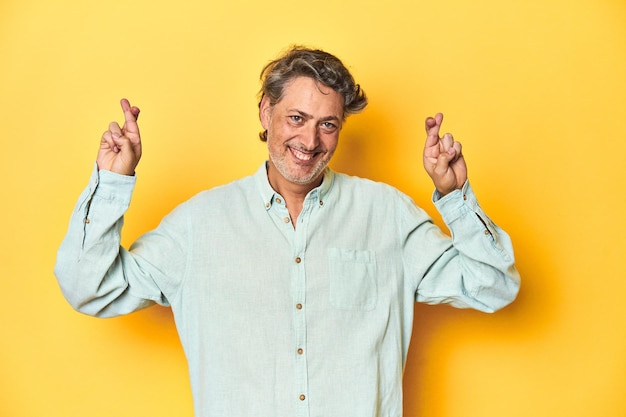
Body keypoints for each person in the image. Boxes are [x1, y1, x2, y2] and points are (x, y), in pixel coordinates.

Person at [55, 46, 520, 417]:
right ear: (265, 112)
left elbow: (494, 286)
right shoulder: (200, 224)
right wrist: (111, 182)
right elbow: (87, 287)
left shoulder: (387, 215)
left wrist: (456, 197)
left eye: (328, 125)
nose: (310, 141)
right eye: (296, 118)